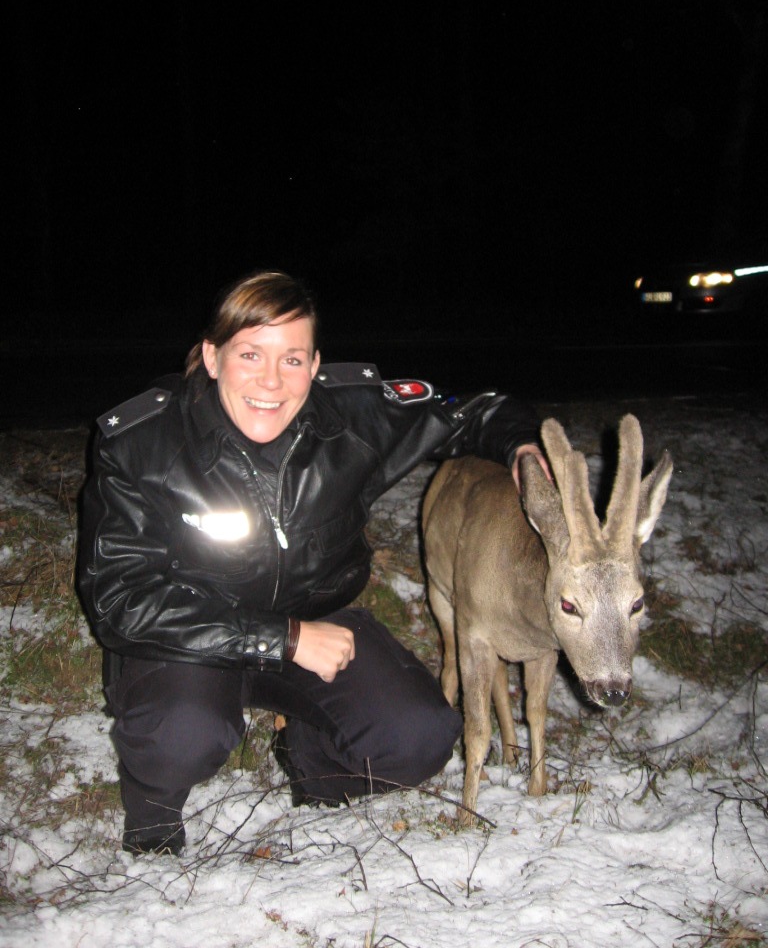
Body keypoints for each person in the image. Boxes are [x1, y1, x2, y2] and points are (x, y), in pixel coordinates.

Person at [78, 270, 546, 857]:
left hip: (314, 626)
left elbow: (473, 410)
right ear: (212, 356)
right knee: (183, 734)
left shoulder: (352, 419)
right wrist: (283, 639)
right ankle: (152, 814)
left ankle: (309, 760)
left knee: (421, 736)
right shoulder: (141, 443)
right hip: (185, 641)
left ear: (316, 364)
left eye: (292, 360)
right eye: (250, 354)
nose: (271, 382)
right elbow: (120, 601)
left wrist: (523, 447)